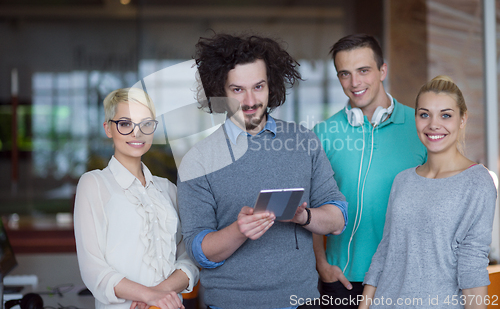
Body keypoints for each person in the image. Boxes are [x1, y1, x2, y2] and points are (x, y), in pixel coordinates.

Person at [177, 33, 348, 309]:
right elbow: (198, 251)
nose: (249, 100)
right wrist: (239, 230)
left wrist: (303, 216)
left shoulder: (304, 142)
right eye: (237, 90)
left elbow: (338, 219)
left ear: (272, 86)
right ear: (219, 90)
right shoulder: (198, 160)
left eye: (258, 86)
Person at [359, 75, 497, 309]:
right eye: (424, 114)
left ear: (462, 119)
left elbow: (472, 264)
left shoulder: (478, 181)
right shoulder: (402, 180)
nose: (434, 124)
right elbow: (385, 251)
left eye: (446, 115)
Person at [313, 34, 427, 308]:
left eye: (363, 70)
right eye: (345, 74)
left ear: (382, 70)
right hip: (342, 280)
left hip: (404, 277)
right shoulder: (324, 133)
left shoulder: (421, 128)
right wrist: (321, 264)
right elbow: (312, 205)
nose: (355, 83)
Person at [74, 88, 199, 309]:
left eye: (146, 124)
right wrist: (148, 296)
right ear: (108, 129)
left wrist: (156, 295)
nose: (136, 133)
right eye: (125, 124)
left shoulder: (168, 189)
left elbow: (189, 257)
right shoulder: (93, 184)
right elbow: (93, 269)